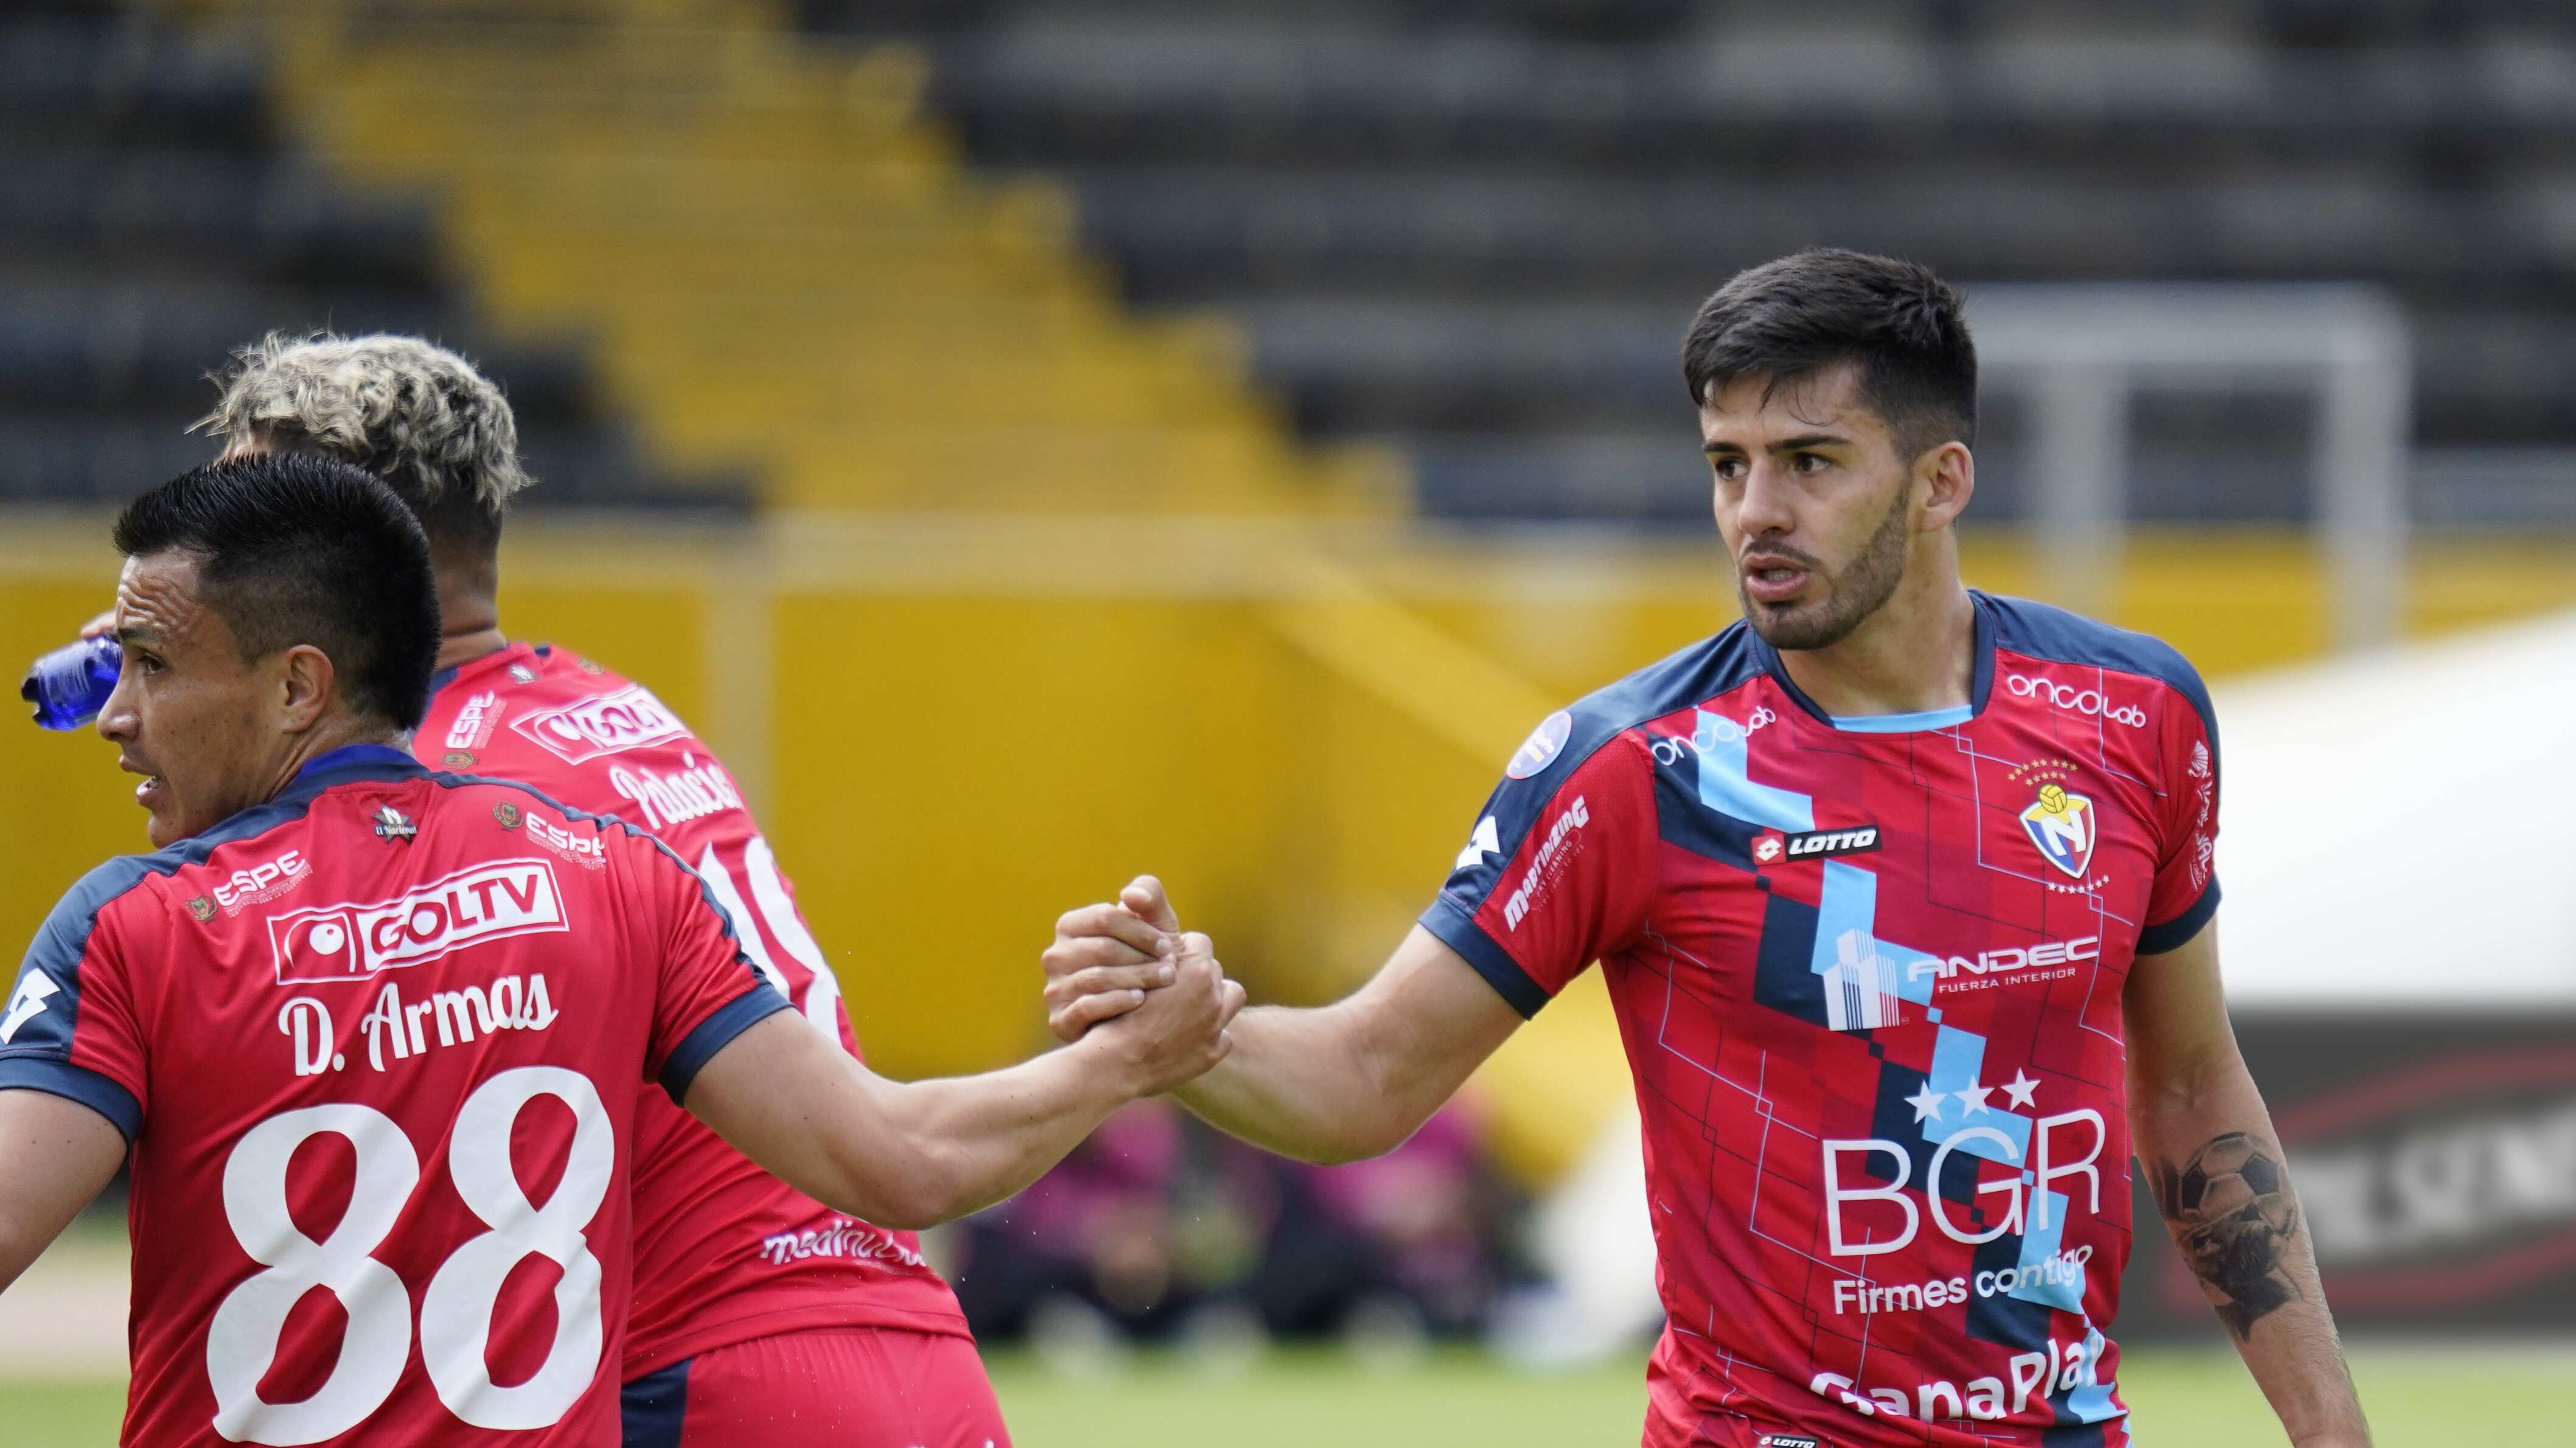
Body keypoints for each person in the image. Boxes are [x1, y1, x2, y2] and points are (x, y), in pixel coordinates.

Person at [1047, 250, 2372, 1447]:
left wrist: (2329, 1433)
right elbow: (1368, 1076)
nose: (1755, 513)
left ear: (1939, 483)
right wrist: (1191, 1031)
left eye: (1808, 461)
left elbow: (2193, 1090)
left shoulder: (2133, 717)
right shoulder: (1635, 768)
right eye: (1726, 465)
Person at [0, 454, 1240, 1447]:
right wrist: (1128, 1060)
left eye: (151, 666)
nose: (112, 713)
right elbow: (901, 1160)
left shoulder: (134, 925)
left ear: (296, 686)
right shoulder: (614, 872)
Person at [181, 332, 1031, 1444]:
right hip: (910, 1352)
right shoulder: (610, 716)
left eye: (241, 532)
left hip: (703, 1380)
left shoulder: (425, 794)